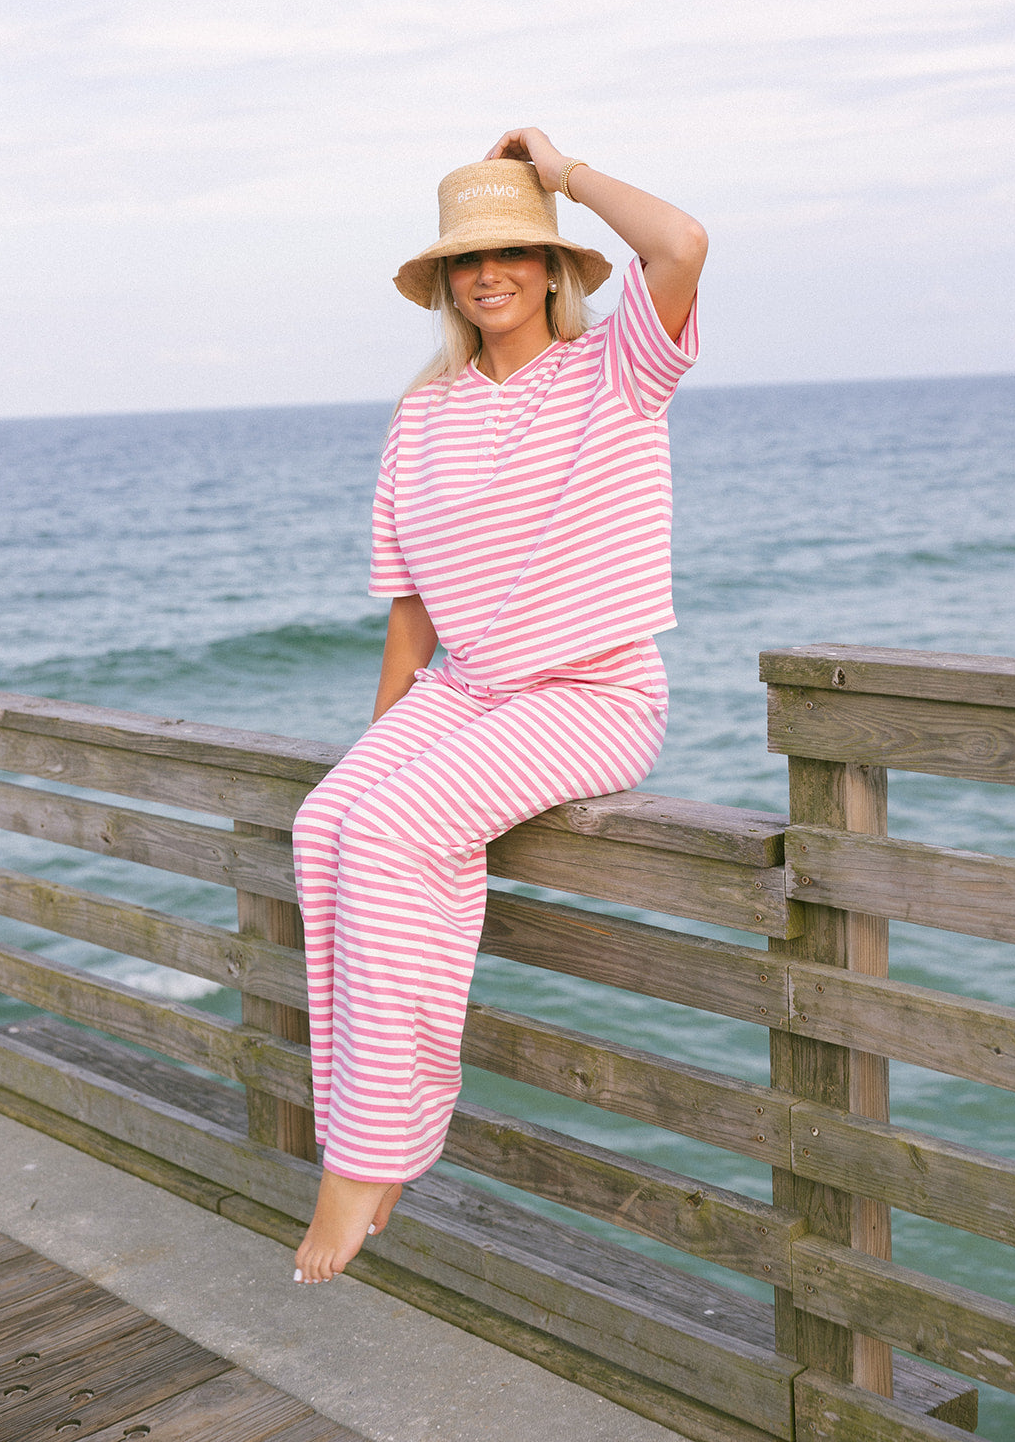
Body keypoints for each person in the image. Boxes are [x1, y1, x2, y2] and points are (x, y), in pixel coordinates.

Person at [292, 126, 707, 1283]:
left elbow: (680, 241)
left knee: (387, 835)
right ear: (442, 283)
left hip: (591, 692)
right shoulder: (422, 414)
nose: (489, 276)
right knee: (327, 820)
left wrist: (563, 172)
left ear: (550, 265)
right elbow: (411, 612)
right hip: (463, 690)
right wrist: (378, 745)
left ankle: (365, 1159)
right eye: (466, 261)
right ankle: (367, 1129)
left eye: (514, 253)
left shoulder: (615, 369)